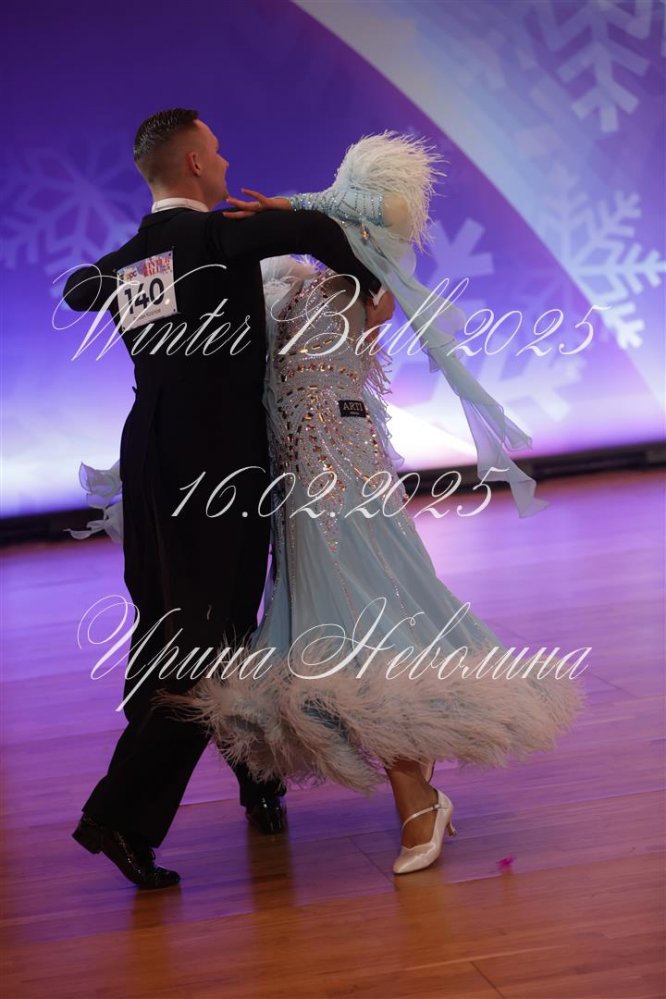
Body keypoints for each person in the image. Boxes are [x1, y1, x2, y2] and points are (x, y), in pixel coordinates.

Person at [158, 132, 587, 876]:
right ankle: (415, 791)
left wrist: (298, 204)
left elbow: (359, 220)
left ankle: (414, 796)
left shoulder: (366, 279)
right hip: (296, 483)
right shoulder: (291, 274)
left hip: (346, 473)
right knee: (345, 626)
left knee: (369, 617)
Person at [62, 108, 393, 890]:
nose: (226, 162)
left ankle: (257, 779)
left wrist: (126, 278)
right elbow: (316, 233)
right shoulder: (216, 236)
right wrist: (367, 283)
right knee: (207, 638)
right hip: (215, 467)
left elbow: (80, 290)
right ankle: (120, 815)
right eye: (216, 152)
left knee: (176, 629)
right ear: (193, 164)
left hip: (149, 458)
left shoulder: (136, 258)